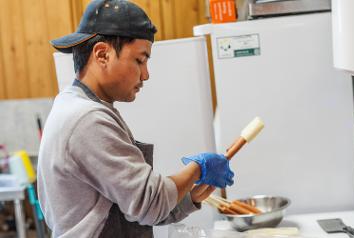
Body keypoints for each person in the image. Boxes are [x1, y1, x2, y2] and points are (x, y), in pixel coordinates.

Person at [37, 0, 234, 237]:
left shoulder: (75, 106)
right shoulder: (87, 119)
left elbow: (134, 207)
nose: (146, 74)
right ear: (102, 54)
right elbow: (150, 204)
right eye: (140, 60)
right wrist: (198, 168)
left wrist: (188, 198)